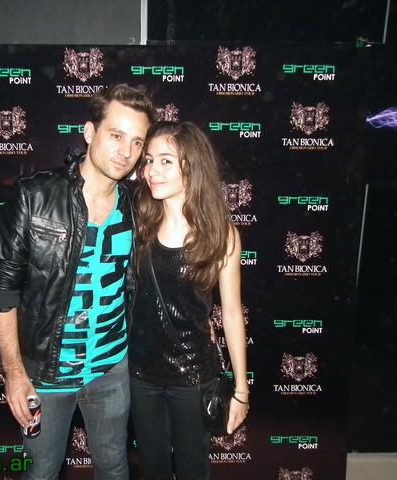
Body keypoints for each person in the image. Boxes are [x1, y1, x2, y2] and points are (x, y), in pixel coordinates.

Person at [0, 83, 155, 480]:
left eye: (136, 142)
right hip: (45, 375)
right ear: (89, 132)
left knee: (114, 466)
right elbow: (2, 294)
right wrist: (14, 373)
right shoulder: (34, 197)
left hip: (111, 368)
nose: (126, 152)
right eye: (116, 135)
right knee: (43, 470)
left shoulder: (139, 206)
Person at [128, 121, 249, 480]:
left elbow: (231, 313)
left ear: (191, 166)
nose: (151, 170)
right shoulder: (137, 222)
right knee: (152, 469)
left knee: (193, 470)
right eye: (149, 160)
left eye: (166, 161)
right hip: (140, 372)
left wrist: (241, 390)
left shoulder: (220, 234)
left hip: (192, 374)